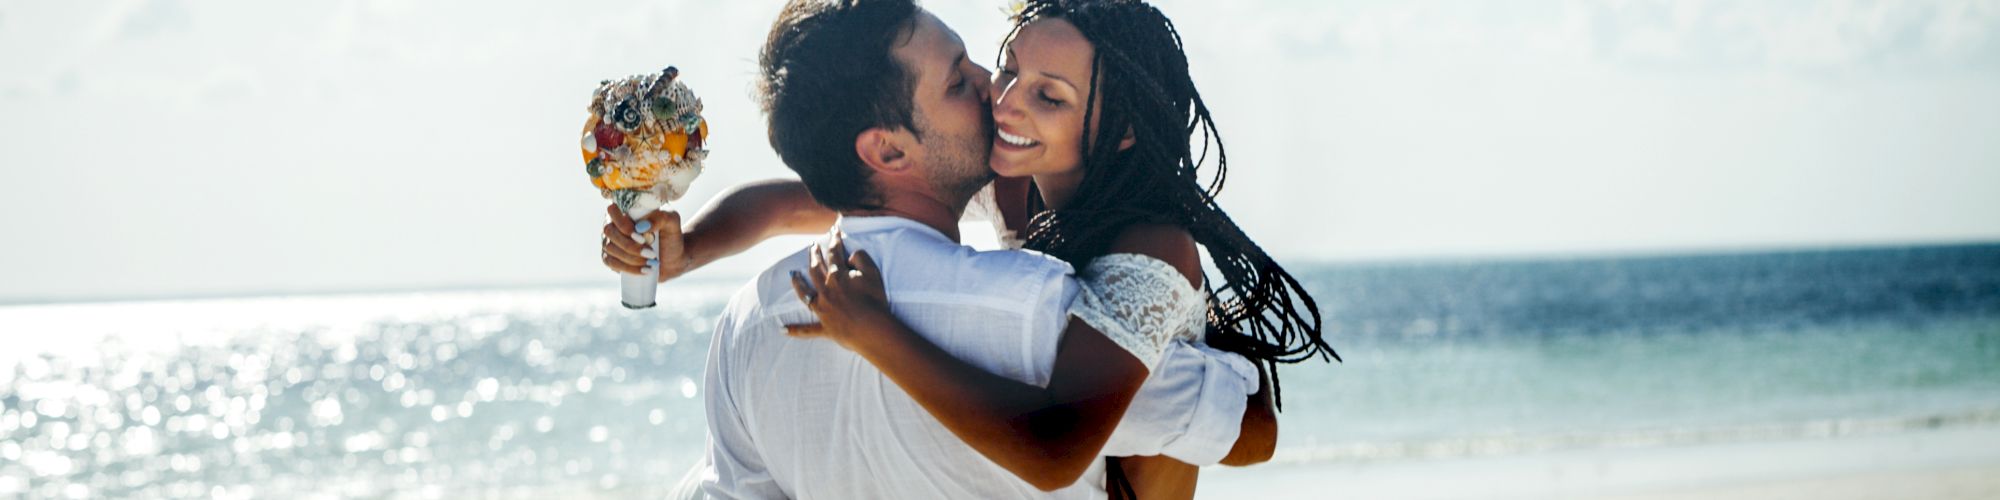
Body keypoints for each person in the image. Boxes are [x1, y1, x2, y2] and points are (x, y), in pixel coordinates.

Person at [621, 1, 1284, 498]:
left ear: (1121, 130)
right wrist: (691, 249)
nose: (1002, 95)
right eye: (1007, 68)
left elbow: (1065, 444)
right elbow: (800, 200)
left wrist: (880, 335)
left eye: (1049, 96)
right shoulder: (1011, 189)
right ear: (887, 152)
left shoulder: (1148, 247)